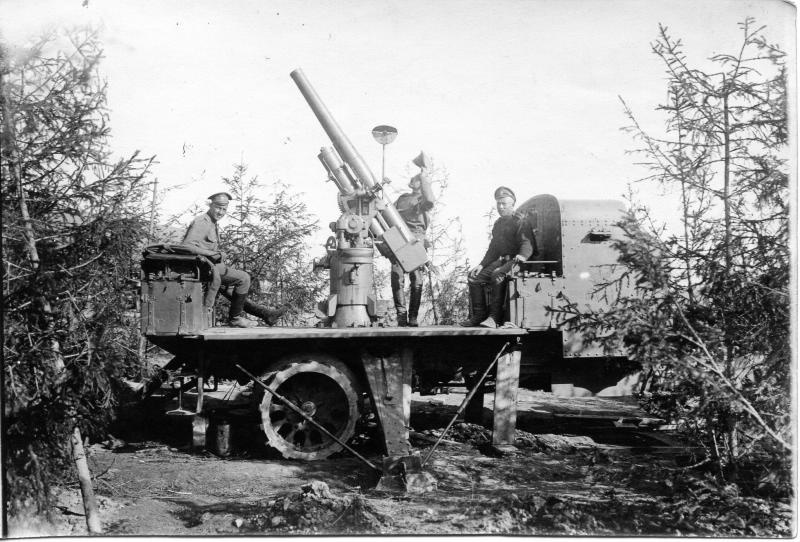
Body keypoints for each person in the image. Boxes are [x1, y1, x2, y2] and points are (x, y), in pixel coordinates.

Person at [461, 186, 534, 328]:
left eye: (504, 204)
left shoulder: (520, 221)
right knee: (474, 277)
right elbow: (493, 249)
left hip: (518, 261)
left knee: (497, 274)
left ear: (512, 205)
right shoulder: (499, 224)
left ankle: (494, 318)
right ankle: (479, 315)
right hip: (503, 260)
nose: (500, 207)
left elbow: (527, 243)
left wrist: (522, 255)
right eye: (498, 204)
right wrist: (481, 265)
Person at [182, 192, 255, 328]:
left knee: (230, 288)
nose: (221, 212)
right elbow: (186, 246)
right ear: (210, 205)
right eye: (218, 207)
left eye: (224, 209)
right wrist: (211, 253)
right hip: (202, 266)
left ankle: (264, 314)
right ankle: (235, 319)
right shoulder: (202, 222)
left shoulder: (212, 222)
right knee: (244, 278)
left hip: (209, 266)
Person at [391, 154, 436, 327]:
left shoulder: (422, 201)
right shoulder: (402, 199)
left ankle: (413, 317)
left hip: (416, 239)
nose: (413, 181)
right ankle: (401, 316)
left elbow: (430, 200)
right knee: (397, 277)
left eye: (417, 180)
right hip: (399, 238)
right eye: (415, 179)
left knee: (417, 279)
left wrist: (424, 177)